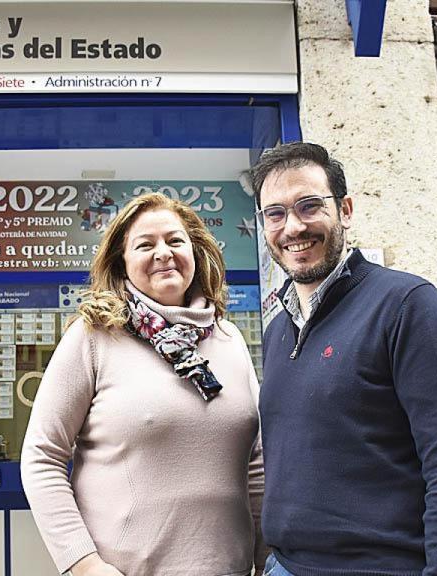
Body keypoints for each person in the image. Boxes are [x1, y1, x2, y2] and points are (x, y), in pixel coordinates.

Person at [248, 142, 437, 576]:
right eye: (275, 214)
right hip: (285, 567)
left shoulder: (408, 306)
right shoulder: (279, 327)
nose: (293, 227)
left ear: (345, 209)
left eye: (309, 206)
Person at [21, 193, 265, 576]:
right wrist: (83, 565)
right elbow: (42, 457)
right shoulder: (94, 338)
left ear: (196, 252)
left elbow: (256, 464)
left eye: (175, 240)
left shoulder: (229, 339)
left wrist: (266, 560)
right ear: (122, 262)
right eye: (145, 245)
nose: (163, 253)